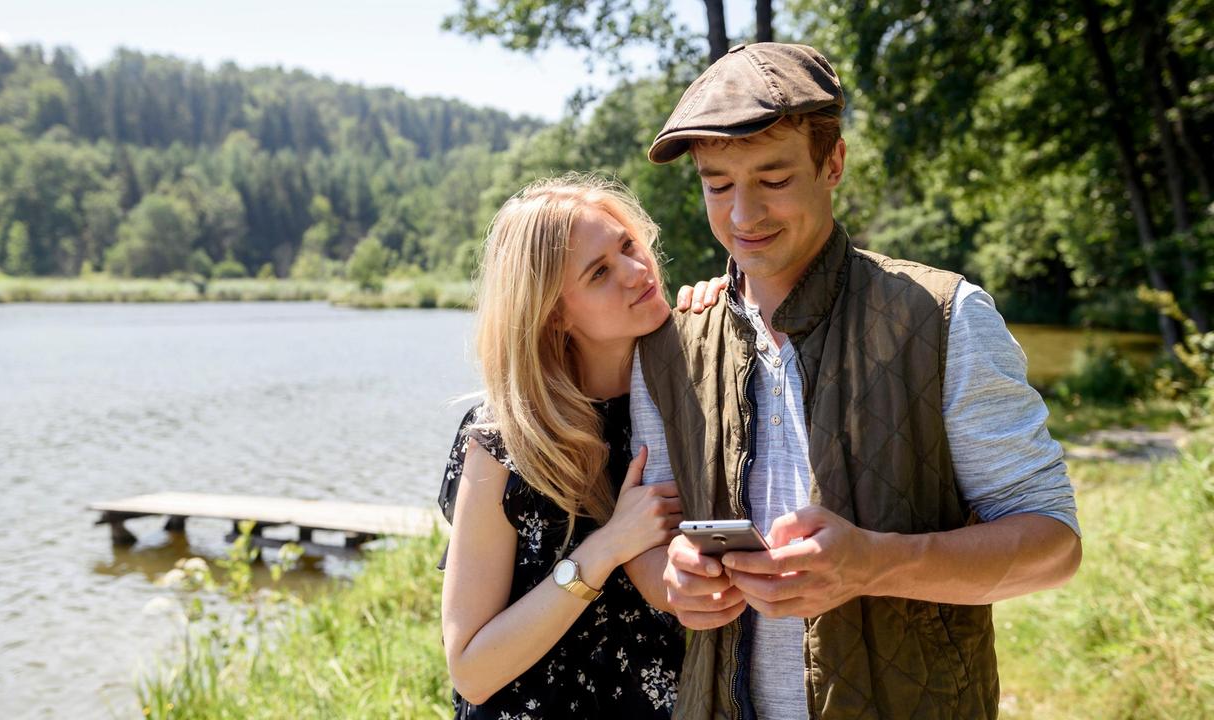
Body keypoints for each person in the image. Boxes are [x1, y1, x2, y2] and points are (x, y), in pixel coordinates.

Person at [627, 43, 1083, 719]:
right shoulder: (668, 344)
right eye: (717, 184)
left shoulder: (945, 316)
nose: (743, 215)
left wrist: (873, 563)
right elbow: (649, 544)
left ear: (832, 163)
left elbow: (1055, 545)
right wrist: (673, 582)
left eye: (775, 180)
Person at [438, 174, 687, 719]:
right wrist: (608, 546)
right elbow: (471, 671)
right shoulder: (505, 442)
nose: (636, 271)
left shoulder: (693, 395)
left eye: (628, 245)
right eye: (599, 272)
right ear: (554, 313)